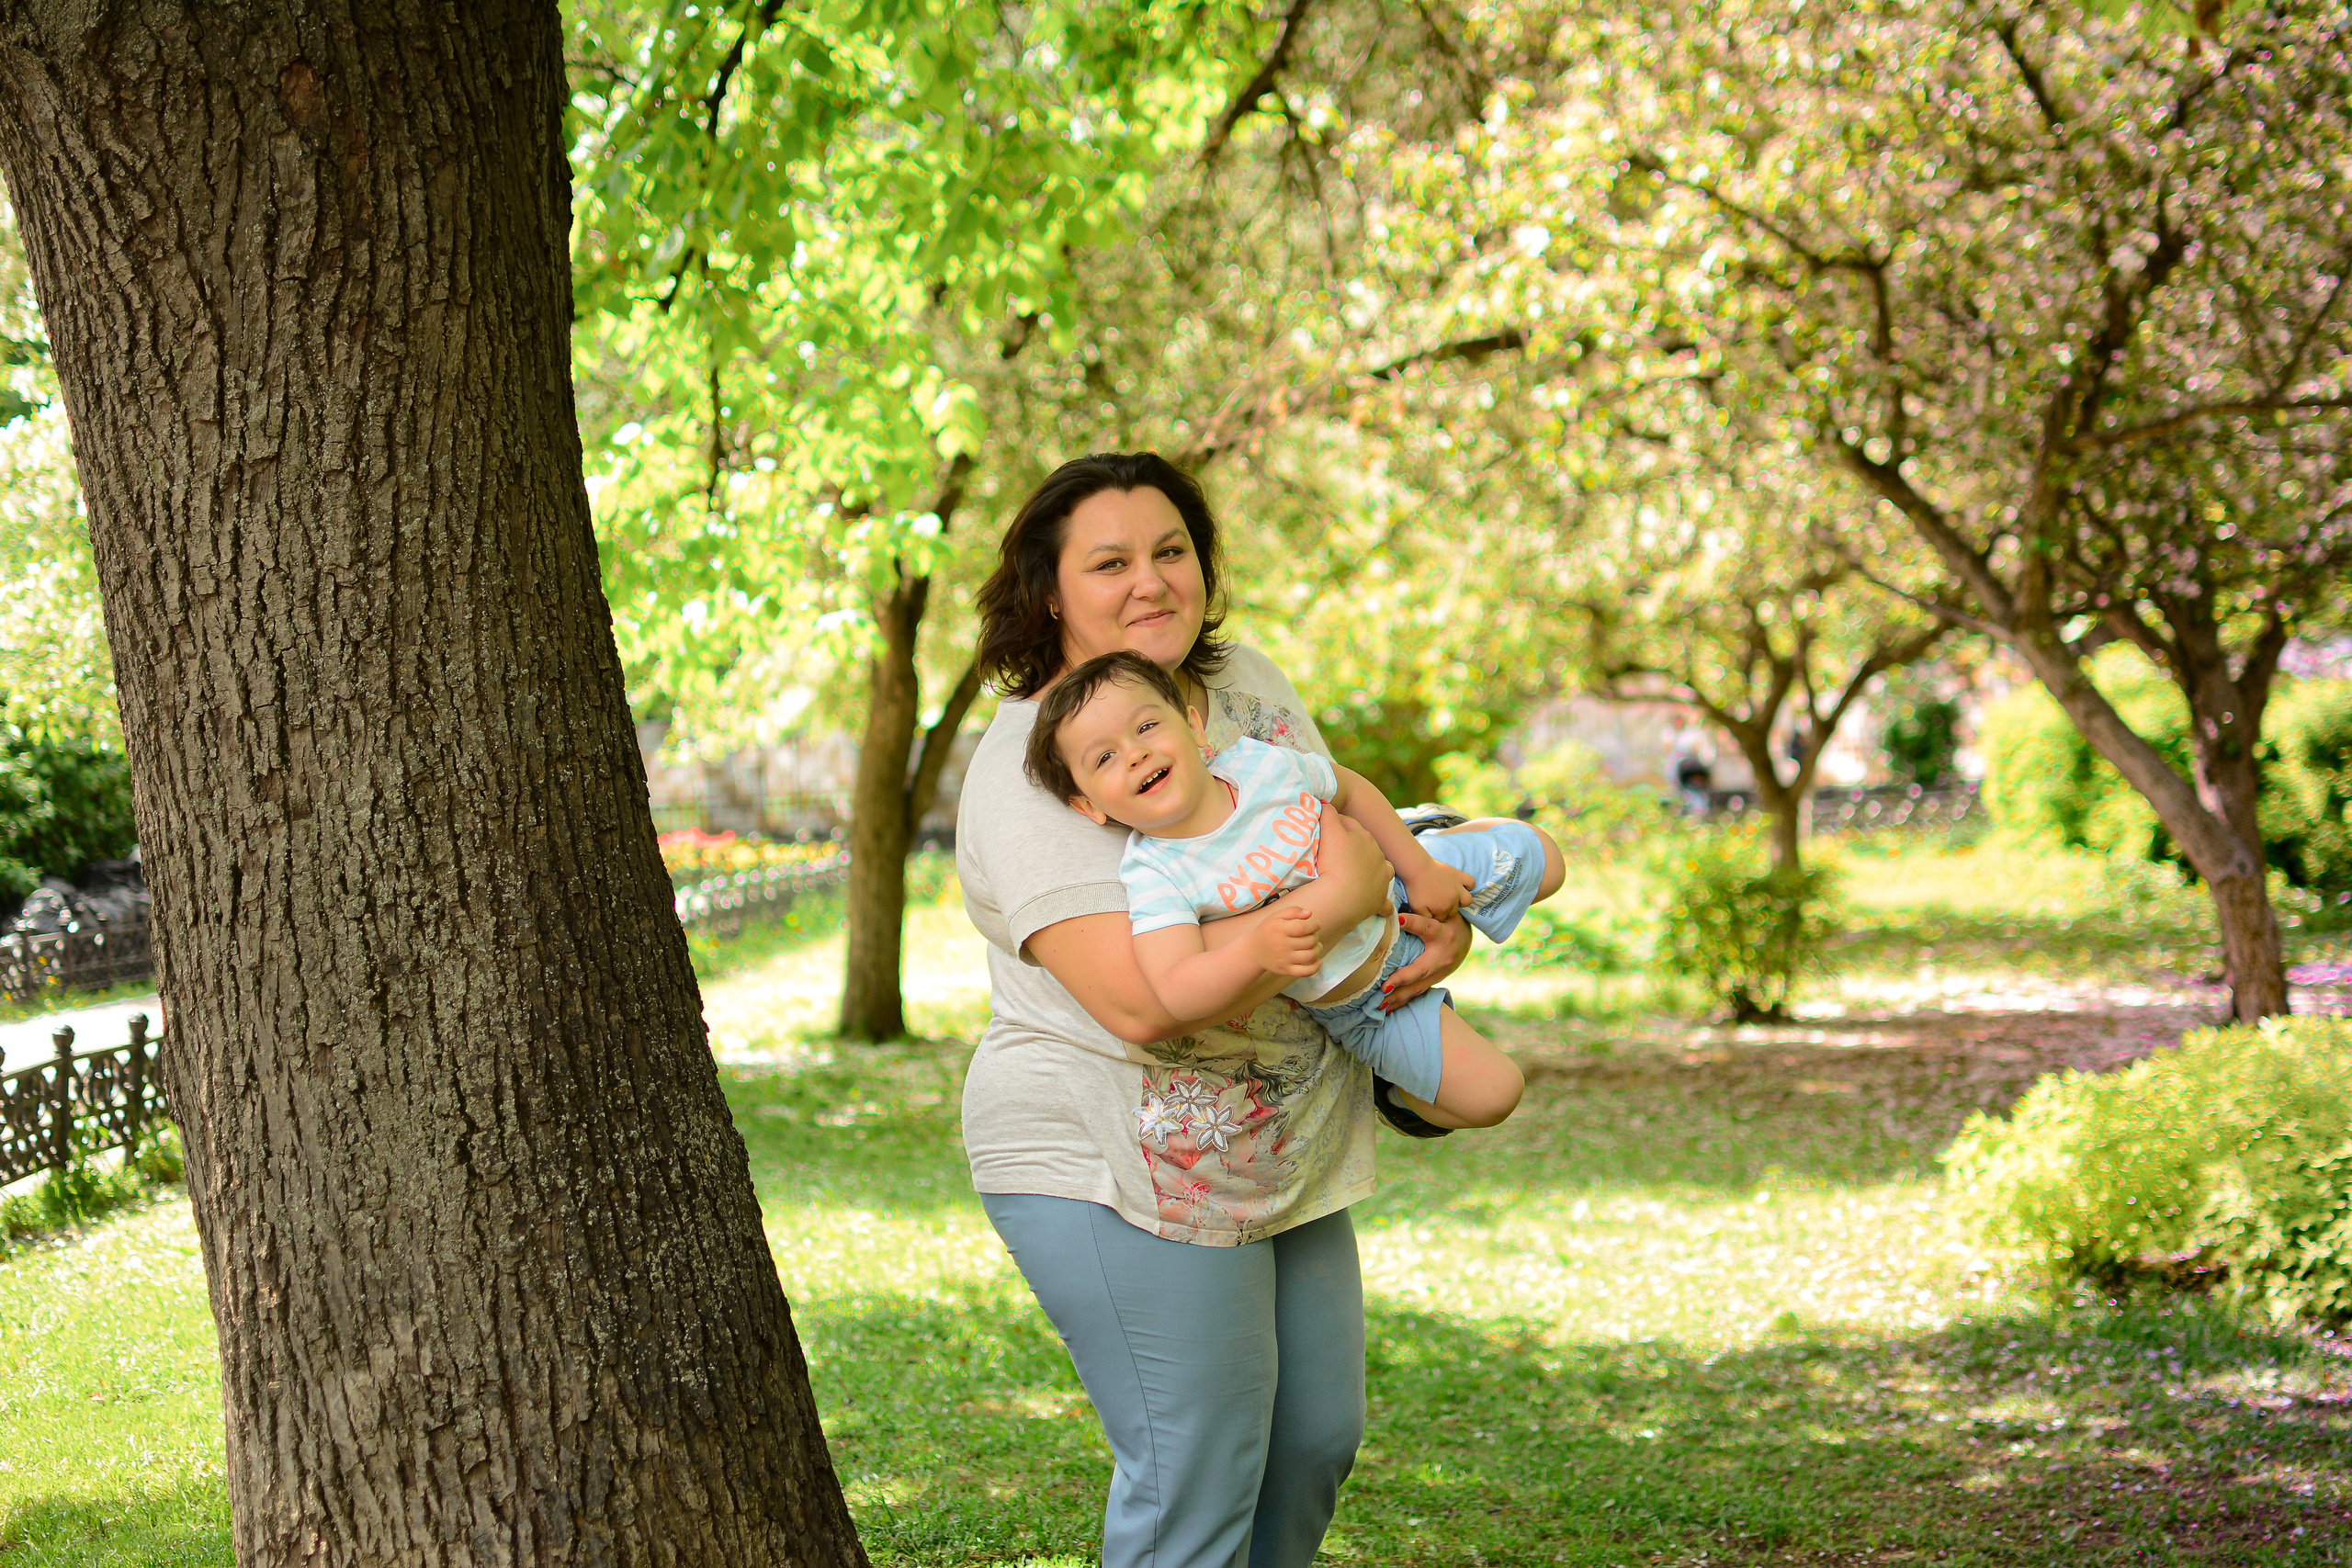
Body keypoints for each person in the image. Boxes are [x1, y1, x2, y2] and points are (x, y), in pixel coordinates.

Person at [956, 451, 1540, 1568]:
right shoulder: (1031, 764)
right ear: (1048, 593)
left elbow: (1332, 823)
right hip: (1112, 1149)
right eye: (1110, 562)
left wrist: (1423, 901)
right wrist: (1344, 896)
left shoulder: (1246, 685)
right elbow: (1138, 1003)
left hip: (1275, 1140)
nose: (1151, 582)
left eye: (1171, 551)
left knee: (1313, 1439)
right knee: (1199, 1470)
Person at [1023, 649, 1555, 1133]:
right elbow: (1176, 987)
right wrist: (1251, 953)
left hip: (1395, 873)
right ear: (1088, 805)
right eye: (1104, 758)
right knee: (1494, 1096)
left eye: (1146, 726)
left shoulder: (1257, 766)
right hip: (1366, 999)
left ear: (1191, 727)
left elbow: (1345, 787)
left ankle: (1426, 835)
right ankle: (1393, 1090)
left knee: (1547, 861)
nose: (1135, 753)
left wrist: (1417, 869)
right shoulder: (1156, 874)